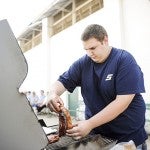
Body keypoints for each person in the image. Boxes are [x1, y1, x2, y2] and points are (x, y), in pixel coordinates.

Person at [46, 24, 148, 149]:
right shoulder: (83, 64)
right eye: (86, 49)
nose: (90, 53)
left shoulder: (124, 60)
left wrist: (89, 123)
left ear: (105, 40)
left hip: (127, 137)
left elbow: (122, 102)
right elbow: (61, 82)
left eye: (93, 48)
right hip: (98, 136)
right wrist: (52, 93)